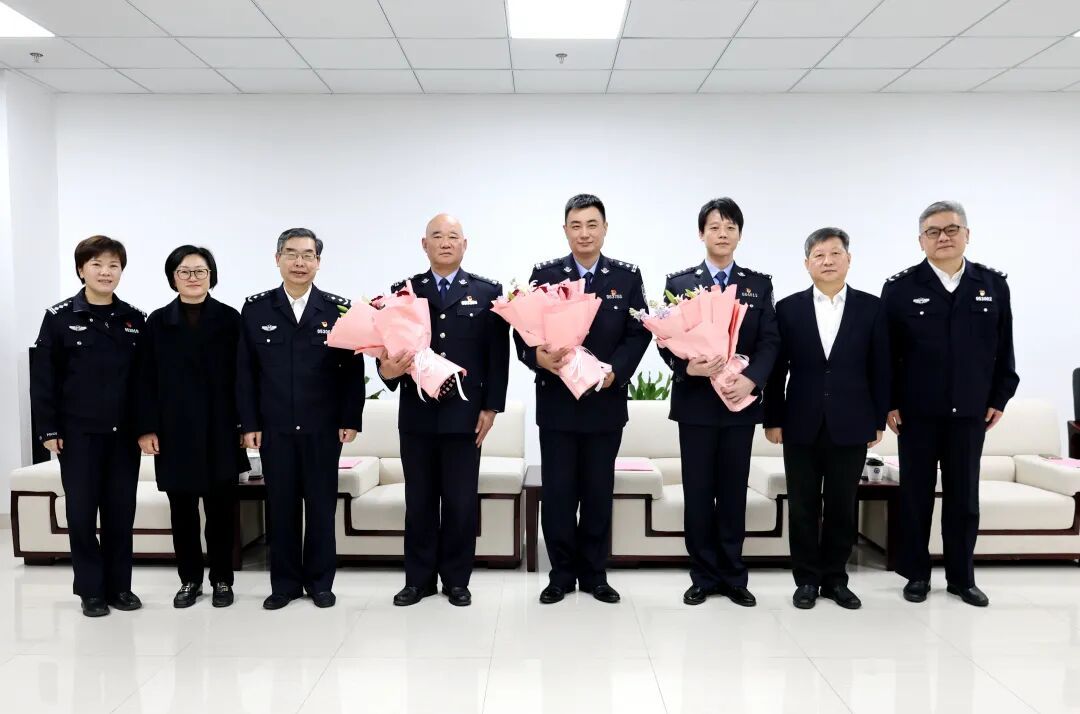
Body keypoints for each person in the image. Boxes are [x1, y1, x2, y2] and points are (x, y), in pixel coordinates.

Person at [882, 201, 1018, 607]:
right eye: (933, 232)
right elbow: (886, 353)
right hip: (917, 412)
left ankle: (962, 577)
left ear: (967, 234)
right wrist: (889, 402)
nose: (943, 238)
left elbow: (1004, 348)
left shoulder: (992, 285)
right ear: (921, 240)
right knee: (915, 497)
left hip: (970, 411)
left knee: (964, 499)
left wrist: (1000, 397)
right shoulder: (900, 288)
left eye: (951, 229)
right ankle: (916, 575)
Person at [516, 193, 650, 605]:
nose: (585, 233)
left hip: (604, 403)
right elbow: (522, 332)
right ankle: (560, 575)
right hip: (557, 404)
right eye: (576, 225)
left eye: (592, 225)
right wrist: (538, 358)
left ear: (605, 229)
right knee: (558, 494)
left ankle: (594, 574)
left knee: (597, 493)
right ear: (565, 230)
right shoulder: (545, 275)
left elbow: (639, 332)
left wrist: (615, 372)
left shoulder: (626, 277)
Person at [379, 214, 510, 607]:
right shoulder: (404, 291)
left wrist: (492, 407)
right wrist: (386, 371)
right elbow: (388, 352)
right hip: (417, 415)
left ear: (464, 244)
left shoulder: (487, 291)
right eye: (437, 236)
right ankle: (418, 581)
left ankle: (456, 580)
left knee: (460, 502)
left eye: (453, 236)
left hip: (465, 414)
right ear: (425, 245)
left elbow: (497, 355)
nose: (446, 242)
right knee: (419, 502)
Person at [237, 228, 366, 610]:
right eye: (291, 254)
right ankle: (285, 584)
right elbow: (245, 372)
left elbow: (351, 371)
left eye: (308, 255)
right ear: (277, 259)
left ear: (318, 262)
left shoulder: (337, 310)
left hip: (322, 427)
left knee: (322, 508)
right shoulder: (257, 309)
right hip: (274, 427)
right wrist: (249, 424)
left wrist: (350, 418)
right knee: (281, 507)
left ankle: (320, 583)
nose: (299, 262)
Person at [661, 197, 780, 607]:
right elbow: (664, 340)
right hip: (696, 404)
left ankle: (732, 575)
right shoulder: (680, 284)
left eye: (730, 227)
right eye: (714, 227)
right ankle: (703, 575)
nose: (722, 234)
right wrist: (687, 367)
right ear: (702, 234)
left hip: (738, 404)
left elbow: (770, 341)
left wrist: (751, 380)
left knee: (732, 493)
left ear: (740, 235)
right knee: (697, 493)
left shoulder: (758, 285)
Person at [764, 228, 890, 610]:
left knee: (841, 505)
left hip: (852, 422)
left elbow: (881, 368)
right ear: (807, 264)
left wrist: (878, 420)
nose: (828, 261)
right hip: (799, 421)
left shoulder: (872, 308)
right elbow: (776, 370)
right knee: (802, 506)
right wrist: (772, 418)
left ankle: (836, 579)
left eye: (835, 253)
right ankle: (806, 580)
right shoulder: (788, 308)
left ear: (849, 259)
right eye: (819, 255)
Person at [30, 235, 145, 617]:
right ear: (81, 270)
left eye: (113, 265)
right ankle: (91, 591)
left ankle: (120, 588)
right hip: (78, 435)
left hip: (123, 435)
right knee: (81, 514)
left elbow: (144, 381)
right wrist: (48, 430)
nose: (105, 272)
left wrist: (146, 427)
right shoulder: (60, 317)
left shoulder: (134, 319)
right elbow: (43, 379)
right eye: (97, 264)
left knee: (119, 513)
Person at [136, 245, 249, 609]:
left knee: (221, 512)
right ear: (173, 277)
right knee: (181, 512)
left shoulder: (230, 319)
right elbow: (145, 379)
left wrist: (246, 424)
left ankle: (222, 579)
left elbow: (244, 376)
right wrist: (147, 428)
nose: (193, 278)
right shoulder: (157, 322)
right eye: (184, 271)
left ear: (211, 276)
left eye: (200, 271)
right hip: (175, 432)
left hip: (221, 429)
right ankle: (189, 579)